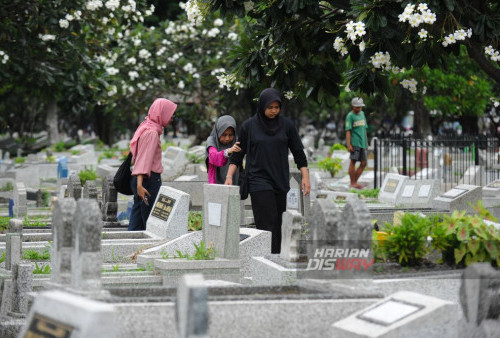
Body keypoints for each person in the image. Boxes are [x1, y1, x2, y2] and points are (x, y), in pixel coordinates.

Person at [224, 88, 311, 254]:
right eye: (269, 107)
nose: (273, 111)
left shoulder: (287, 125)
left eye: (276, 107)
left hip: (280, 179)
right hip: (258, 180)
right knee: (266, 222)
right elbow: (237, 154)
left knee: (278, 222)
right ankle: (266, 258)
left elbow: (298, 152)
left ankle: (275, 259)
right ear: (262, 106)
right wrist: (229, 176)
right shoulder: (249, 126)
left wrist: (305, 177)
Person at [128, 98, 177, 231]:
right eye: (170, 114)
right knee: (149, 223)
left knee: (137, 219)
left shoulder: (146, 126)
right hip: (147, 181)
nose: (172, 118)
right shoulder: (152, 133)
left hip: (141, 180)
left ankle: (129, 246)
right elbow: (143, 160)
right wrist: (140, 185)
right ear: (162, 113)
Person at [206, 115, 241, 184]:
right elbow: (213, 157)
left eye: (230, 135)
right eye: (224, 135)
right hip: (216, 181)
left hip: (234, 180)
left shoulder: (236, 142)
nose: (227, 138)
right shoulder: (212, 141)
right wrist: (227, 151)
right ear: (218, 132)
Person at [346, 97, 368, 189]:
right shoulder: (350, 116)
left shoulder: (362, 114)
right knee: (353, 161)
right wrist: (349, 144)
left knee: (363, 163)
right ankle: (353, 183)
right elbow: (348, 131)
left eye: (360, 107)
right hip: (355, 143)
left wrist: (366, 142)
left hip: (362, 143)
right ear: (353, 107)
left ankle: (354, 182)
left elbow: (365, 129)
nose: (359, 109)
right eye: (357, 107)